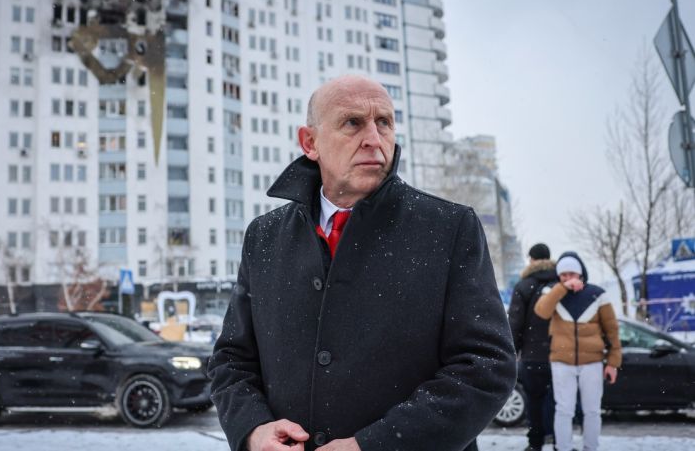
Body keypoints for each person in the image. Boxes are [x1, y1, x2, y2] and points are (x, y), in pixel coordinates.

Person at [208, 75, 517, 451]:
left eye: (383, 122)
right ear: (310, 142)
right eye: (352, 122)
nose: (374, 138)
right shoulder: (265, 237)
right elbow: (232, 360)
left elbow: (486, 366)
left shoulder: (449, 228)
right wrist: (254, 430)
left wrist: (373, 445)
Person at [534, 252, 621, 451]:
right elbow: (541, 311)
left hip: (592, 362)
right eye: (563, 275)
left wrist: (613, 363)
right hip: (561, 361)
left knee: (592, 410)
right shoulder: (552, 292)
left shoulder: (598, 294)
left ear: (580, 274)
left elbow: (612, 330)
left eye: (571, 274)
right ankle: (563, 448)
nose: (568, 278)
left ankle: (591, 447)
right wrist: (562, 288)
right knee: (564, 409)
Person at [507, 243, 558, 451]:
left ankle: (535, 442)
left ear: (532, 259)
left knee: (534, 400)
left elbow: (515, 323)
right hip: (560, 353)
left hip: (533, 355)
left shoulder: (524, 285)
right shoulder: (560, 284)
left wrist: (513, 350)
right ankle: (559, 440)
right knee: (559, 401)